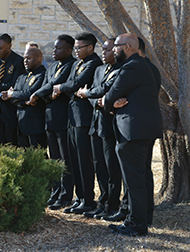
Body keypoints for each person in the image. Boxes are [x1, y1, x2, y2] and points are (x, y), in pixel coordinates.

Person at [104, 33, 162, 236]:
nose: (113, 50)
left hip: (132, 130)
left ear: (127, 47)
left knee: (134, 179)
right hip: (146, 128)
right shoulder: (148, 67)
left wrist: (109, 103)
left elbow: (111, 93)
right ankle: (144, 216)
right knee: (143, 174)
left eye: (116, 46)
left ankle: (136, 224)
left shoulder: (131, 66)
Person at [53, 32, 103, 214]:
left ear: (90, 47)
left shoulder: (94, 63)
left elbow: (77, 83)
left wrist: (63, 88)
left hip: (84, 118)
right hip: (72, 116)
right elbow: (71, 84)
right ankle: (80, 197)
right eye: (75, 48)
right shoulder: (77, 63)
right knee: (73, 160)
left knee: (84, 161)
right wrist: (69, 88)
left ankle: (88, 200)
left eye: (79, 48)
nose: (76, 51)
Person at [28, 34, 76, 210]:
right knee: (54, 159)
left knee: (65, 160)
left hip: (63, 118)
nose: (54, 51)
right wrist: (46, 93)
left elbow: (56, 83)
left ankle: (65, 196)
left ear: (69, 50)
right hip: (49, 116)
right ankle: (55, 193)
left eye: (59, 48)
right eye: (54, 48)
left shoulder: (71, 65)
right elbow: (48, 85)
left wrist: (37, 94)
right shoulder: (53, 66)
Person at [77, 38, 122, 219]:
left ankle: (112, 204)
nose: (104, 53)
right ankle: (102, 203)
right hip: (96, 123)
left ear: (116, 51)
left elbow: (110, 91)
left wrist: (100, 98)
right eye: (103, 50)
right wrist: (99, 102)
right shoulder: (99, 70)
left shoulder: (121, 70)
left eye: (108, 50)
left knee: (112, 168)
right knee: (99, 167)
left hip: (110, 126)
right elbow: (91, 92)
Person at [2, 47, 47, 148]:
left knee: (38, 156)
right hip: (21, 124)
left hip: (36, 125)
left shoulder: (43, 75)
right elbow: (13, 99)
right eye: (24, 58)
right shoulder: (22, 77)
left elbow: (29, 93)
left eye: (29, 58)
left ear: (38, 58)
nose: (25, 61)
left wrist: (12, 94)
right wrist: (24, 102)